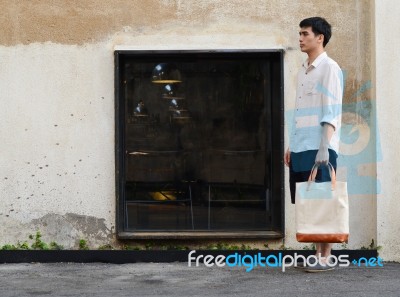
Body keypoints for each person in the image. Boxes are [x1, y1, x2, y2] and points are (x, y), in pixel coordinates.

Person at [284, 17, 343, 272]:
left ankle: (326, 257)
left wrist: (324, 147)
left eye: (305, 33)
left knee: (322, 201)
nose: (300, 38)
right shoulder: (302, 69)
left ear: (320, 37)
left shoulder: (329, 68)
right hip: (300, 146)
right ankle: (316, 254)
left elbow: (331, 110)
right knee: (308, 201)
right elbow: (300, 112)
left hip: (320, 147)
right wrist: (291, 144)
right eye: (299, 33)